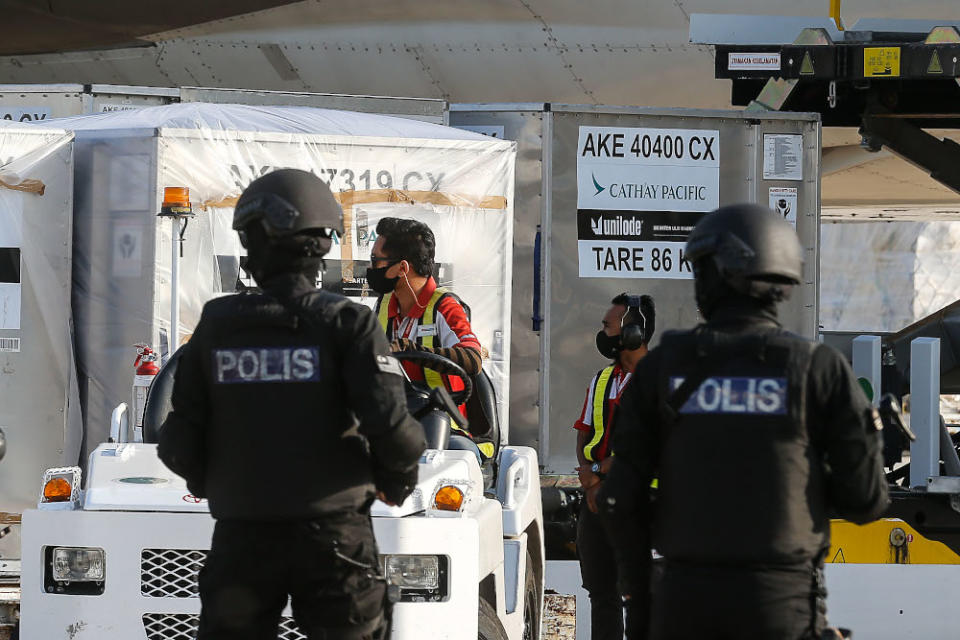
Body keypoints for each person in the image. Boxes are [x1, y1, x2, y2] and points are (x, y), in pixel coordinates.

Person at [598, 203, 889, 640]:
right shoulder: (819, 369)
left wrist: (642, 612)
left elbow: (619, 500)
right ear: (782, 279)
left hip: (683, 605)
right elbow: (866, 502)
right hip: (783, 608)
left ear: (713, 277)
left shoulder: (662, 368)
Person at [157, 169, 426, 640]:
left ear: (254, 243)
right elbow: (395, 431)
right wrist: (395, 483)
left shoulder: (219, 323)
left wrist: (213, 483)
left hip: (243, 538)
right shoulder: (348, 323)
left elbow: (177, 438)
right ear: (322, 243)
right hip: (334, 539)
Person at [366, 217, 487, 450]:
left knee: (460, 452)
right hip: (393, 423)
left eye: (375, 260)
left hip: (444, 426)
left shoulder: (445, 306)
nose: (371, 269)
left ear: (402, 268)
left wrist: (416, 352)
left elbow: (474, 359)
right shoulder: (383, 304)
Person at [574, 293, 655, 640]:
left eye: (608, 326)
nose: (602, 332)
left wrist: (602, 472)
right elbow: (584, 433)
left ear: (634, 332)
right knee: (600, 591)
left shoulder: (657, 380)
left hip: (640, 503)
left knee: (639, 594)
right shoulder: (602, 378)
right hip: (596, 498)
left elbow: (651, 443)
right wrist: (590, 479)